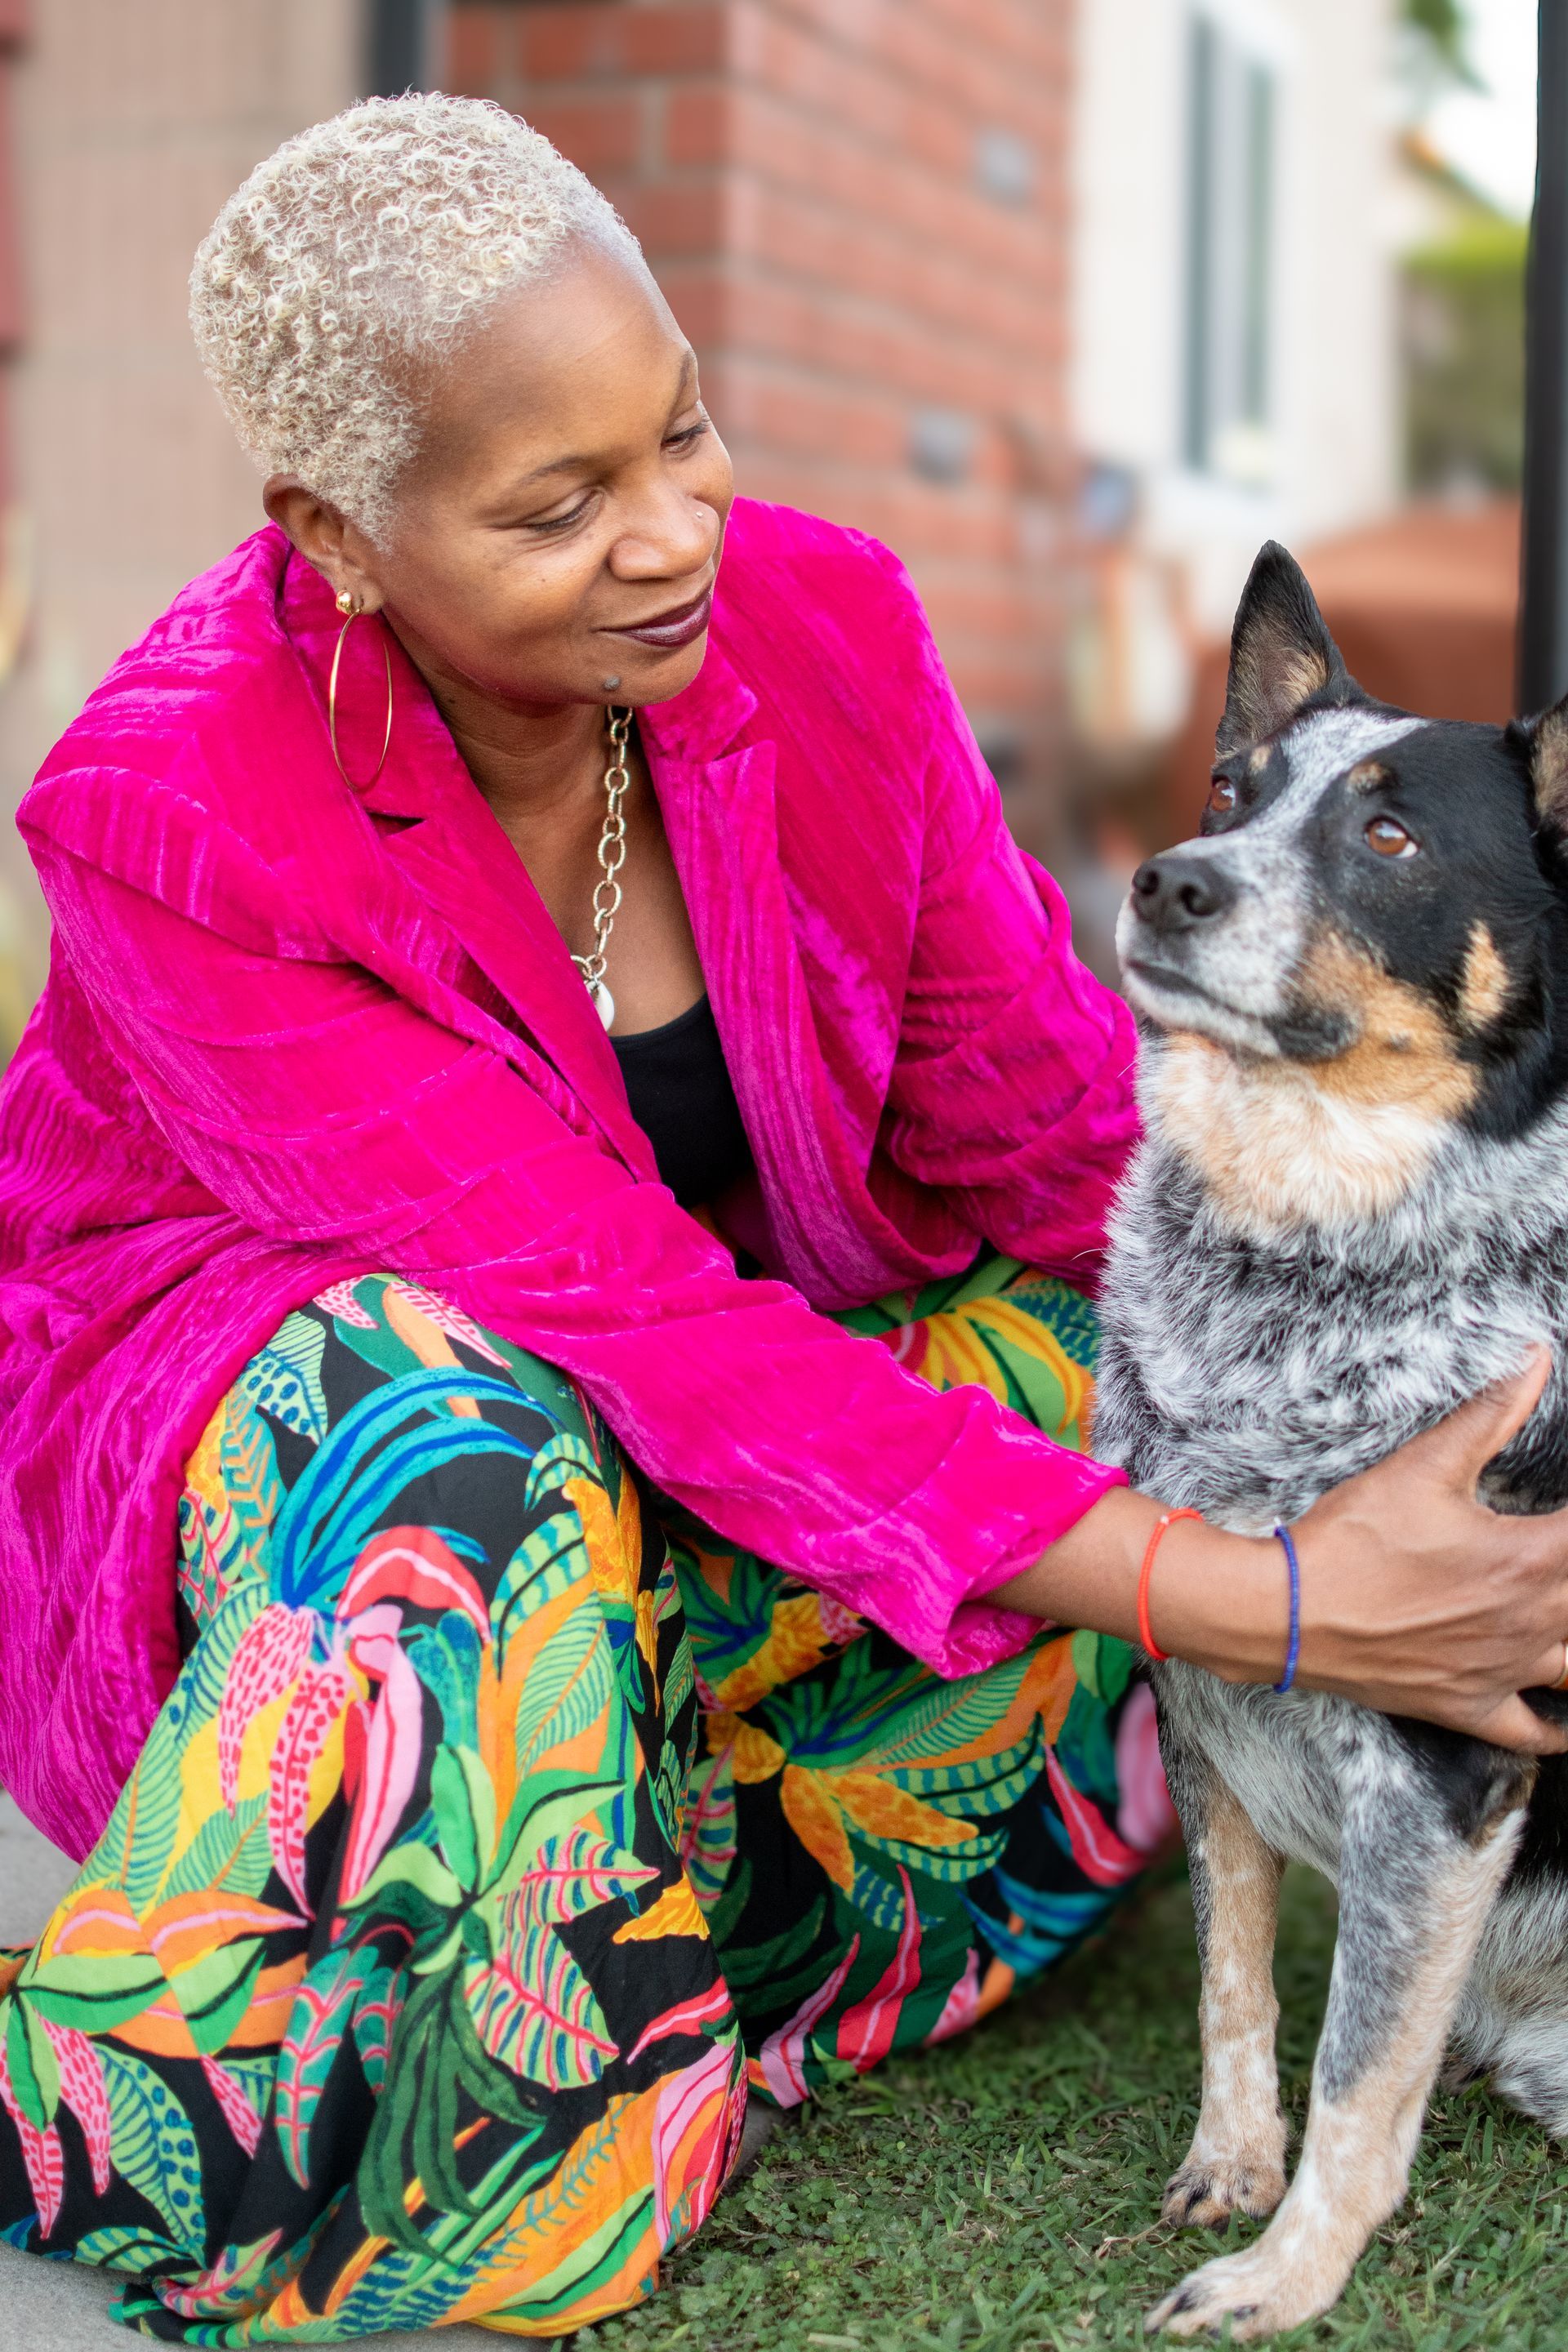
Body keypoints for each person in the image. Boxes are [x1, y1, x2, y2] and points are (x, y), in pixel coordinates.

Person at [0, 94, 1564, 2347]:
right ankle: (261, 2041)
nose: (668, 537)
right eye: (557, 506)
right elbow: (614, 1314)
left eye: (682, 431)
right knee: (456, 1419)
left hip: (703, 1421)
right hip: (348, 1495)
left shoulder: (816, 635)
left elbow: (1046, 1134)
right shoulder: (181, 815)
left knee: (1089, 1371)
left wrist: (1437, 1436)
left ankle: (620, 1858)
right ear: (335, 535)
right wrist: (1291, 1599)